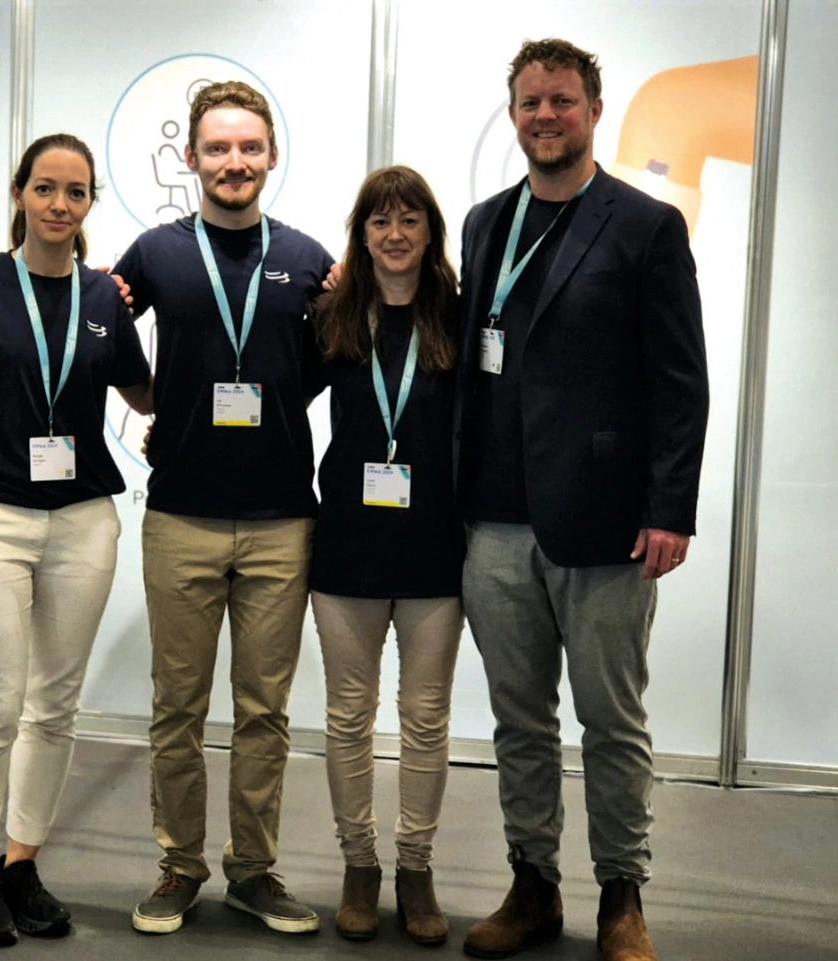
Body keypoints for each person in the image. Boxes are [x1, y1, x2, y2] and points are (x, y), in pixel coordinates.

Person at [455, 39, 709, 961]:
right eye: (531, 102)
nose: (546, 116)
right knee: (519, 722)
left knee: (612, 722)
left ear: (594, 111)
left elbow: (680, 380)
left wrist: (670, 507)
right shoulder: (485, 223)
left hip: (605, 522)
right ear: (513, 115)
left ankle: (622, 897)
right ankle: (533, 885)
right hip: (494, 521)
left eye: (562, 100)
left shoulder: (645, 226)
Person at [112, 80, 333, 936]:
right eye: (217, 148)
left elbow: (331, 357)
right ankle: (179, 865)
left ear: (271, 155)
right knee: (178, 706)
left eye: (248, 147)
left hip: (282, 519)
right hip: (182, 515)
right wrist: (153, 400)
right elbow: (97, 325)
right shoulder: (156, 253)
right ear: (191, 157)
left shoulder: (309, 259)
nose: (233, 162)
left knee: (263, 711)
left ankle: (254, 870)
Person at [0, 133, 153, 947]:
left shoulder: (104, 296)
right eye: (45, 188)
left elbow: (142, 390)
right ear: (19, 193)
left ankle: (21, 862)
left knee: (55, 704)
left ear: (90, 201)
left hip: (82, 517)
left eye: (75, 192)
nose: (59, 205)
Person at [310, 166, 465, 943]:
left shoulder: (458, 319)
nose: (395, 234)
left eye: (410, 220)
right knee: (348, 717)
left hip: (436, 551)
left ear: (431, 232)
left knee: (426, 719)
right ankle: (359, 865)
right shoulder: (332, 316)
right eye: (380, 221)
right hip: (347, 548)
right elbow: (276, 401)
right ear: (362, 235)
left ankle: (415, 867)